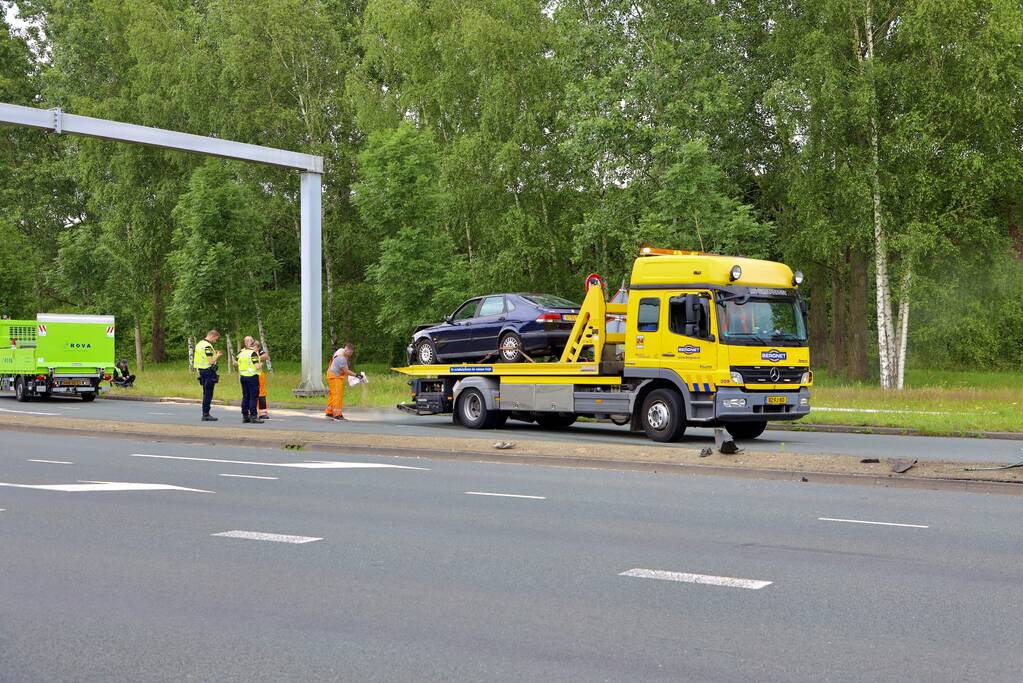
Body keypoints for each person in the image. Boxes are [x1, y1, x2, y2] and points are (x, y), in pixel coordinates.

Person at [193, 330, 223, 422]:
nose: (215, 341)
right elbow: (211, 361)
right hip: (208, 371)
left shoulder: (199, 344)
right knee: (208, 393)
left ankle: (205, 413)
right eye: (216, 339)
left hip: (201, 370)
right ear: (212, 336)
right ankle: (206, 414)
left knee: (205, 392)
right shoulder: (207, 346)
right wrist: (217, 355)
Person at [325, 342, 356, 421]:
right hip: (335, 376)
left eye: (351, 353)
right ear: (346, 349)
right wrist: (356, 375)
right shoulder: (341, 358)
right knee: (337, 396)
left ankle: (329, 412)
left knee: (333, 395)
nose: (349, 354)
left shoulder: (340, 351)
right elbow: (346, 371)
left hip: (332, 374)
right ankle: (337, 415)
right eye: (349, 352)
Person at [237, 335, 263, 424]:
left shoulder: (242, 353)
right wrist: (261, 364)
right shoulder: (253, 353)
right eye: (257, 347)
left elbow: (236, 363)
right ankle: (253, 416)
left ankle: (245, 416)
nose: (258, 350)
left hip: (243, 376)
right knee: (253, 397)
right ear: (254, 346)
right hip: (252, 377)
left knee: (245, 396)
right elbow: (257, 366)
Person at [256, 341, 270, 420]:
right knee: (251, 394)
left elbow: (266, 356)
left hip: (259, 374)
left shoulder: (259, 351)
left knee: (262, 394)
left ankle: (263, 413)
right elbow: (236, 362)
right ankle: (250, 412)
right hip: (250, 375)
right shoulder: (244, 351)